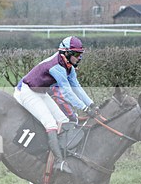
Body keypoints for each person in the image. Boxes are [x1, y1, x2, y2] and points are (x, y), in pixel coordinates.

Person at [14, 36, 98, 174]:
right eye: (76, 54)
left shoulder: (68, 66)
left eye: (80, 54)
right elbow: (67, 93)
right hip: (26, 91)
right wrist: (85, 108)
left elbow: (76, 87)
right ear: (67, 53)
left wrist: (91, 104)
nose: (79, 58)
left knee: (64, 121)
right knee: (51, 124)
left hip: (40, 92)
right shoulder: (57, 67)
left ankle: (62, 155)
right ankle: (59, 162)